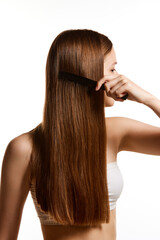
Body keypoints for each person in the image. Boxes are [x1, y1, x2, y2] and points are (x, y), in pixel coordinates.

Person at [0, 29, 160, 240]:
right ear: (89, 76)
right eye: (112, 70)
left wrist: (149, 99)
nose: (120, 78)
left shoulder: (117, 131)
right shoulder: (24, 148)